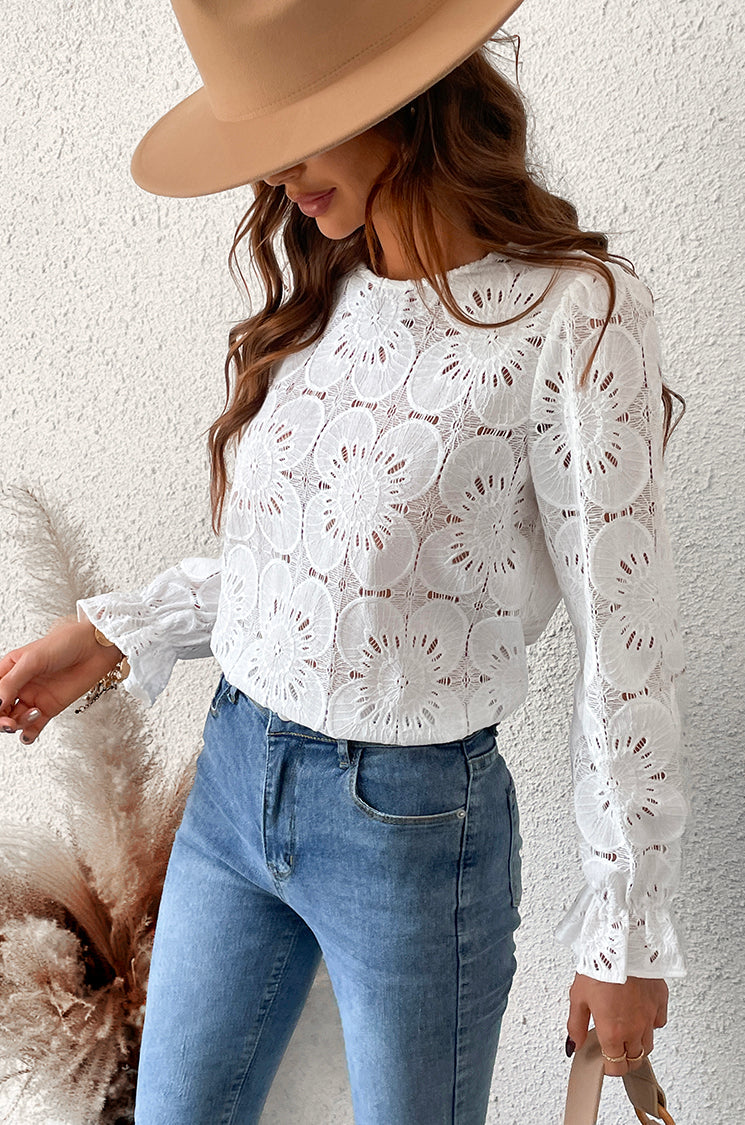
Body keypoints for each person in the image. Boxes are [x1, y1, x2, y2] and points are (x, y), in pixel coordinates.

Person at [0, 1, 689, 1122]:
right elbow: (312, 570)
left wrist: (625, 930)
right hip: (235, 775)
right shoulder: (331, 291)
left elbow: (628, 641)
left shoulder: (576, 316)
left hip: (409, 830)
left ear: (401, 101)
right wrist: (118, 629)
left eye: (301, 132)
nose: (276, 176)